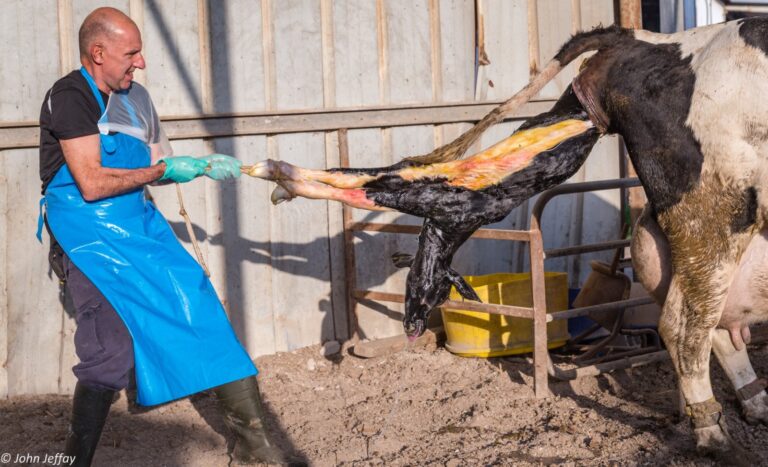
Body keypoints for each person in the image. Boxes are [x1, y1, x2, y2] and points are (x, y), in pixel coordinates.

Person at [38, 7, 285, 466]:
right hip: (88, 238)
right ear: (98, 53)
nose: (141, 62)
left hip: (140, 225)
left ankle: (256, 448)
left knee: (201, 307)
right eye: (131, 53)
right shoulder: (70, 97)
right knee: (109, 349)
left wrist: (196, 167)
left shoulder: (138, 99)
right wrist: (161, 169)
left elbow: (158, 165)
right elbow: (91, 184)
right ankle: (76, 458)